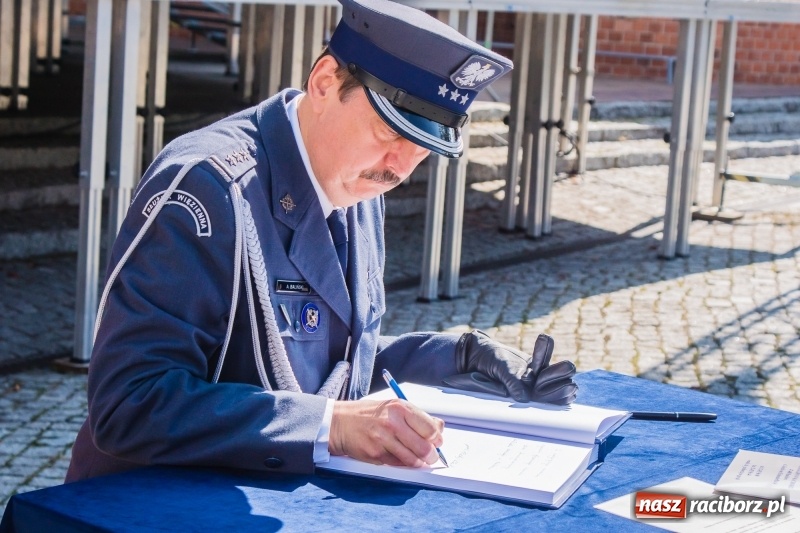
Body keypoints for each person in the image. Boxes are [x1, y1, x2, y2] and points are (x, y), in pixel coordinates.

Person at [66, 0, 577, 482]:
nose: (399, 168)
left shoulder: (357, 180)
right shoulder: (211, 186)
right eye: (389, 132)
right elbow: (129, 402)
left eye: (421, 147)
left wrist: (462, 357)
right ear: (325, 81)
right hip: (140, 508)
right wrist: (329, 425)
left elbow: (335, 363)